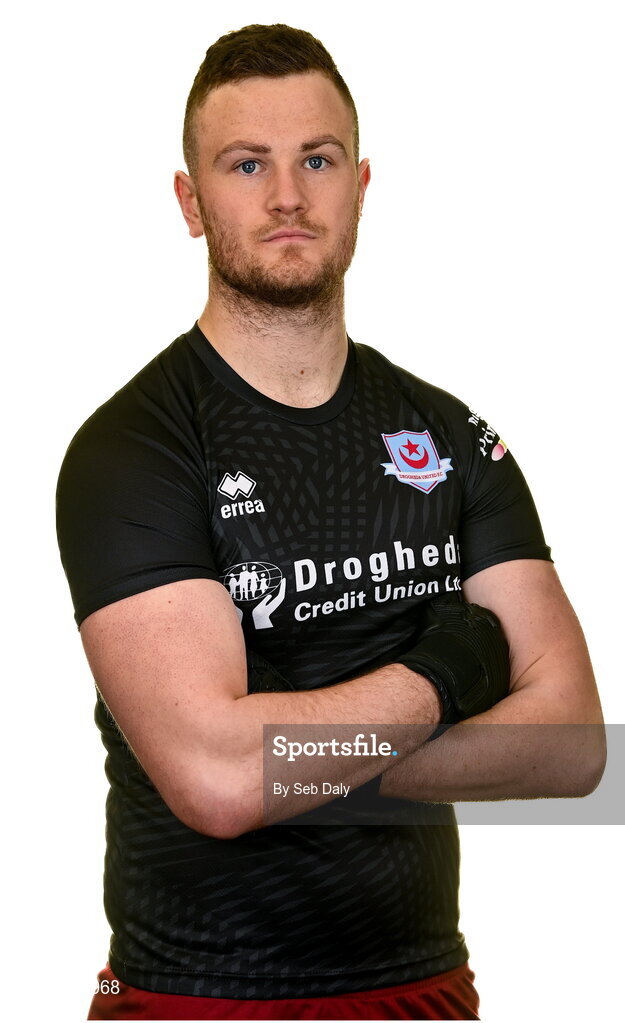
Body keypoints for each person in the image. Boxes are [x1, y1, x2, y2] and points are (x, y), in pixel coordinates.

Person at [55, 22, 606, 1022]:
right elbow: (218, 784)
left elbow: (575, 749)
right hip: (198, 995)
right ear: (189, 201)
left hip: (422, 988)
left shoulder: (449, 433)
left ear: (359, 184)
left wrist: (291, 760)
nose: (285, 197)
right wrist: (449, 672)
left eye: (316, 159)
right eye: (244, 164)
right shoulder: (133, 448)